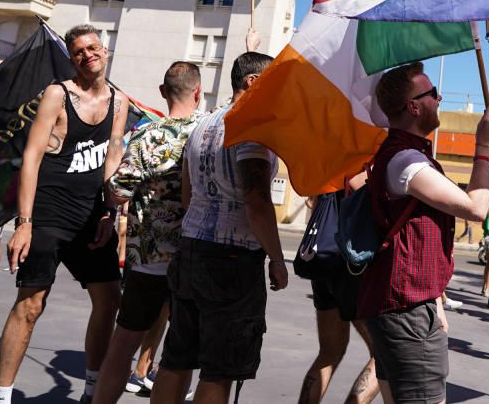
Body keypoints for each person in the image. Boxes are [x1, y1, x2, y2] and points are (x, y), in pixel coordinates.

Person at [0, 24, 129, 404]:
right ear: (73, 59)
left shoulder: (120, 102)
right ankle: (1, 398)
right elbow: (32, 157)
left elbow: (112, 159)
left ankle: (90, 389)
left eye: (93, 47)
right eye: (80, 51)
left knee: (109, 300)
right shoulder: (57, 94)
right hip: (49, 213)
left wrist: (109, 213)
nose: (89, 55)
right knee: (31, 304)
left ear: (105, 51)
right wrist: (24, 223)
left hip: (90, 216)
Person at [356, 62, 489, 404]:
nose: (440, 97)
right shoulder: (405, 161)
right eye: (432, 93)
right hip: (406, 309)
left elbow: (416, 240)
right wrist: (483, 146)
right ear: (414, 106)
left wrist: (436, 300)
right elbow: (477, 208)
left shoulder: (407, 156)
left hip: (405, 303)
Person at [150, 52, 289, 404]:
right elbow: (256, 201)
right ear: (253, 82)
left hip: (192, 247)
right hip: (232, 259)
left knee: (177, 358)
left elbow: (187, 193)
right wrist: (276, 257)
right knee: (220, 369)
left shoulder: (203, 124)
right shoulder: (251, 129)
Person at [91, 62, 203, 403]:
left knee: (122, 345)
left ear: (162, 92)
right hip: (195, 256)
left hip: (149, 258)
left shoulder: (147, 136)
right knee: (179, 353)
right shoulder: (210, 130)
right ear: (198, 92)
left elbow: (118, 193)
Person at [298, 182, 379, 404]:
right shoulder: (365, 153)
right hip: (354, 262)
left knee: (329, 352)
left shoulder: (328, 152)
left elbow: (312, 198)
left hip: (324, 255)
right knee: (384, 355)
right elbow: (362, 185)